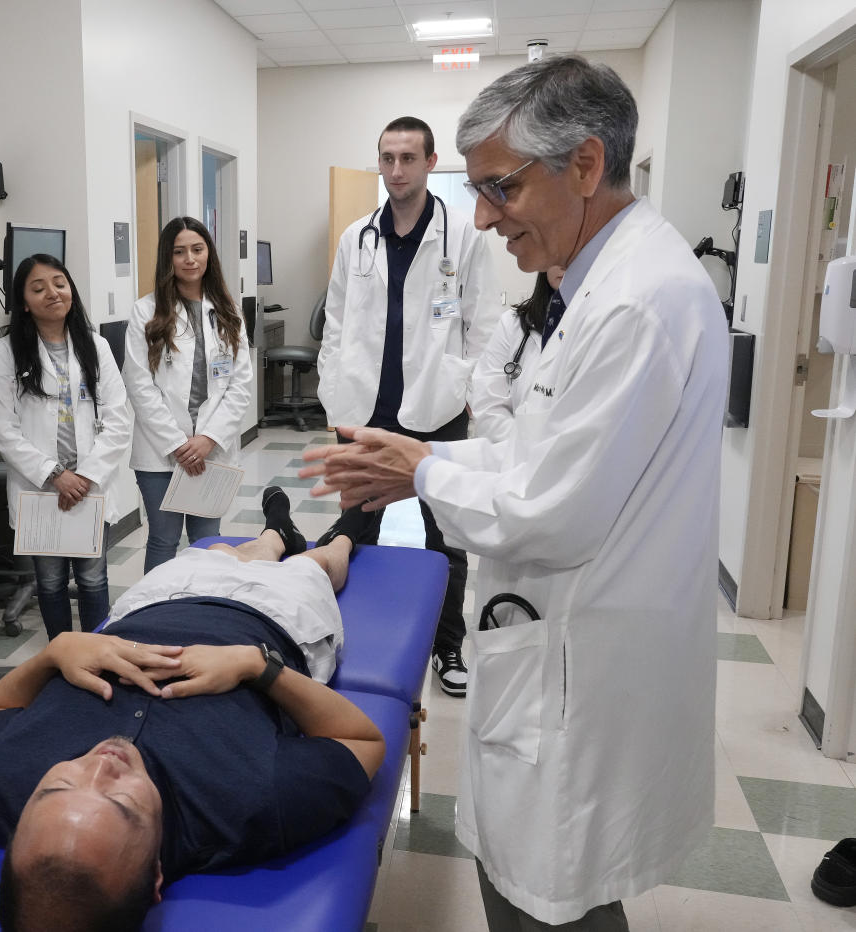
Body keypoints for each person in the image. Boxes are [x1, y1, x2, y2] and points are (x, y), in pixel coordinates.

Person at [301, 56, 727, 930]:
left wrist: (419, 471)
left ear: (586, 165)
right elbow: (534, 455)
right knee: (540, 882)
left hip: (580, 659)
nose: (487, 218)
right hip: (558, 643)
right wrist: (426, 453)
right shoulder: (597, 282)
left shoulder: (635, 303)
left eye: (500, 188)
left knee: (548, 895)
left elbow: (550, 513)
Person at [0, 488, 384, 932]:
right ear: (155, 874)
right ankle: (347, 532)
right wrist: (256, 666)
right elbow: (361, 740)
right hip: (272, 620)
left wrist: (55, 652)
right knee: (313, 566)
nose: (101, 764)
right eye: (121, 802)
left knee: (219, 551)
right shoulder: (249, 806)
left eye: (58, 785)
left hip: (151, 604)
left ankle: (276, 531)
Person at [318, 115, 502, 698]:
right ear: (379, 162)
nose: (396, 169)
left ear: (428, 162)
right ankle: (342, 636)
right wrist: (332, 389)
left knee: (443, 534)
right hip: (364, 407)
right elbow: (338, 322)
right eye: (387, 157)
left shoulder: (462, 236)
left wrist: (464, 391)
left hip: (436, 406)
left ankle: (448, 647)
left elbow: (484, 323)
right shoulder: (357, 238)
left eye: (408, 158)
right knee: (355, 525)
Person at [0, 254, 132, 637]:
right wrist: (54, 476)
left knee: (93, 578)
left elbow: (119, 419)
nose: (52, 292)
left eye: (59, 283)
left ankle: (97, 652)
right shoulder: (7, 351)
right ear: (23, 302)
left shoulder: (96, 346)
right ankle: (61, 655)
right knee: (49, 582)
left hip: (87, 484)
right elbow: (3, 427)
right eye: (38, 288)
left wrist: (84, 476)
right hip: (41, 487)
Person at [123, 216, 252, 572]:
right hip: (161, 452)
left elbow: (240, 385)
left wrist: (208, 439)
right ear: (168, 258)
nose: (190, 259)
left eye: (197, 249)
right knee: (163, 541)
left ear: (208, 252)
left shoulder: (228, 310)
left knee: (208, 543)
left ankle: (200, 614)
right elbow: (139, 386)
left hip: (212, 450)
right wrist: (178, 445)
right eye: (180, 252)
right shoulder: (146, 312)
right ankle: (154, 617)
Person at [468, 265, 563, 442]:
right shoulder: (512, 323)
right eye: (557, 255)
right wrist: (523, 448)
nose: (564, 264)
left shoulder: (601, 323)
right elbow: (488, 405)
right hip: (509, 455)